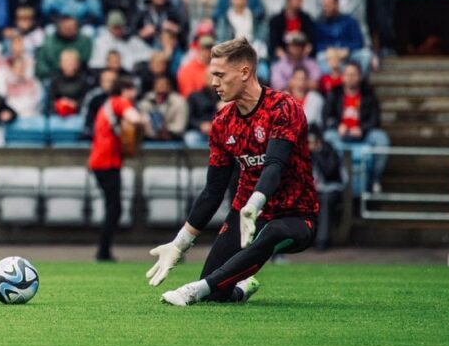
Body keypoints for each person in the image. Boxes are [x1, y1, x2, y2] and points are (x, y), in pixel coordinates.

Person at [146, 38, 319, 306]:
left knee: (272, 232)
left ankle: (194, 290)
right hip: (245, 215)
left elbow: (274, 165)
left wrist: (255, 203)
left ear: (245, 72)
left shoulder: (283, 108)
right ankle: (238, 287)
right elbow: (213, 190)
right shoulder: (222, 123)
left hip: (295, 216)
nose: (213, 82)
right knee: (218, 294)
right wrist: (180, 244)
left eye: (219, 75)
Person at [89, 77, 142, 262]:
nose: (134, 94)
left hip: (102, 161)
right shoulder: (119, 101)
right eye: (131, 90)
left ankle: (104, 251)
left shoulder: (108, 104)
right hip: (106, 163)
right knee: (114, 208)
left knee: (113, 207)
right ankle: (103, 252)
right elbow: (135, 118)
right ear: (124, 90)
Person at [322, 61, 389, 193]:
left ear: (360, 76)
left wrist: (362, 129)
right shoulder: (335, 93)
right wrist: (338, 126)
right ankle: (335, 177)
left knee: (381, 138)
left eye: (354, 74)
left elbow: (375, 120)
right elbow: (326, 117)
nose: (351, 77)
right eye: (348, 74)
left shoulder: (369, 94)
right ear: (343, 76)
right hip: (341, 135)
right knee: (328, 136)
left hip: (362, 135)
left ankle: (375, 179)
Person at [138, 74, 187, 142]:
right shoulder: (146, 100)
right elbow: (142, 120)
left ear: (170, 88)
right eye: (158, 86)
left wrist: (165, 129)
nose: (160, 88)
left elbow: (179, 127)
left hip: (172, 136)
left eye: (163, 86)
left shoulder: (179, 102)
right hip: (150, 135)